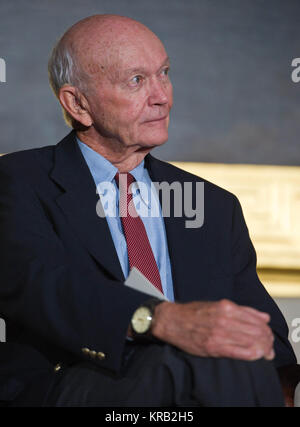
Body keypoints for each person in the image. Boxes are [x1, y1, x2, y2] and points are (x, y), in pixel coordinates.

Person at [0, 14, 297, 407]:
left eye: (164, 73)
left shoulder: (213, 205)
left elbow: (271, 340)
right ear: (78, 103)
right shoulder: (19, 181)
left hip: (207, 385)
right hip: (72, 384)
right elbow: (43, 288)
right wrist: (160, 320)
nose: (163, 96)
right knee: (186, 365)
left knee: (235, 363)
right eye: (137, 81)